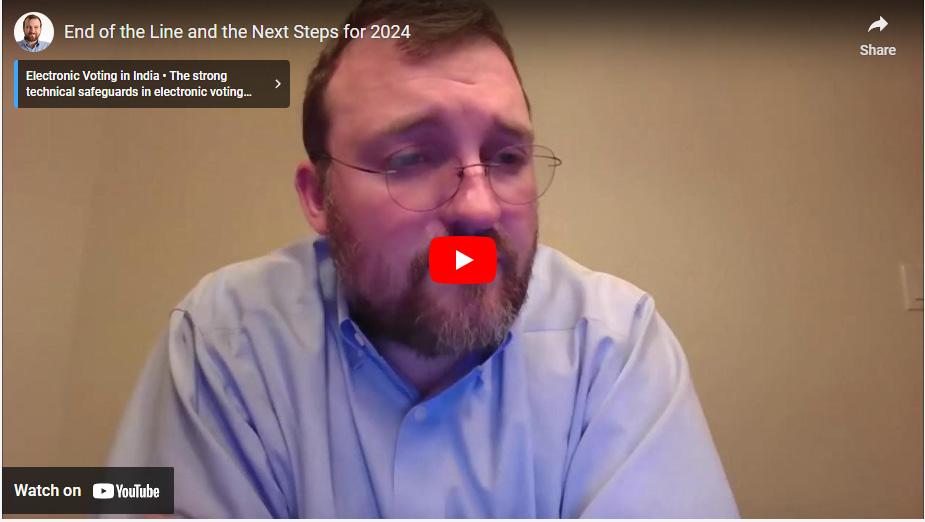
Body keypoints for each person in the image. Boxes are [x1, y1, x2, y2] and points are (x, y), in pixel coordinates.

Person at [109, 0, 739, 517]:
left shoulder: (613, 349)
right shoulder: (227, 342)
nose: (479, 209)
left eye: (507, 158)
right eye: (410, 159)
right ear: (318, 197)